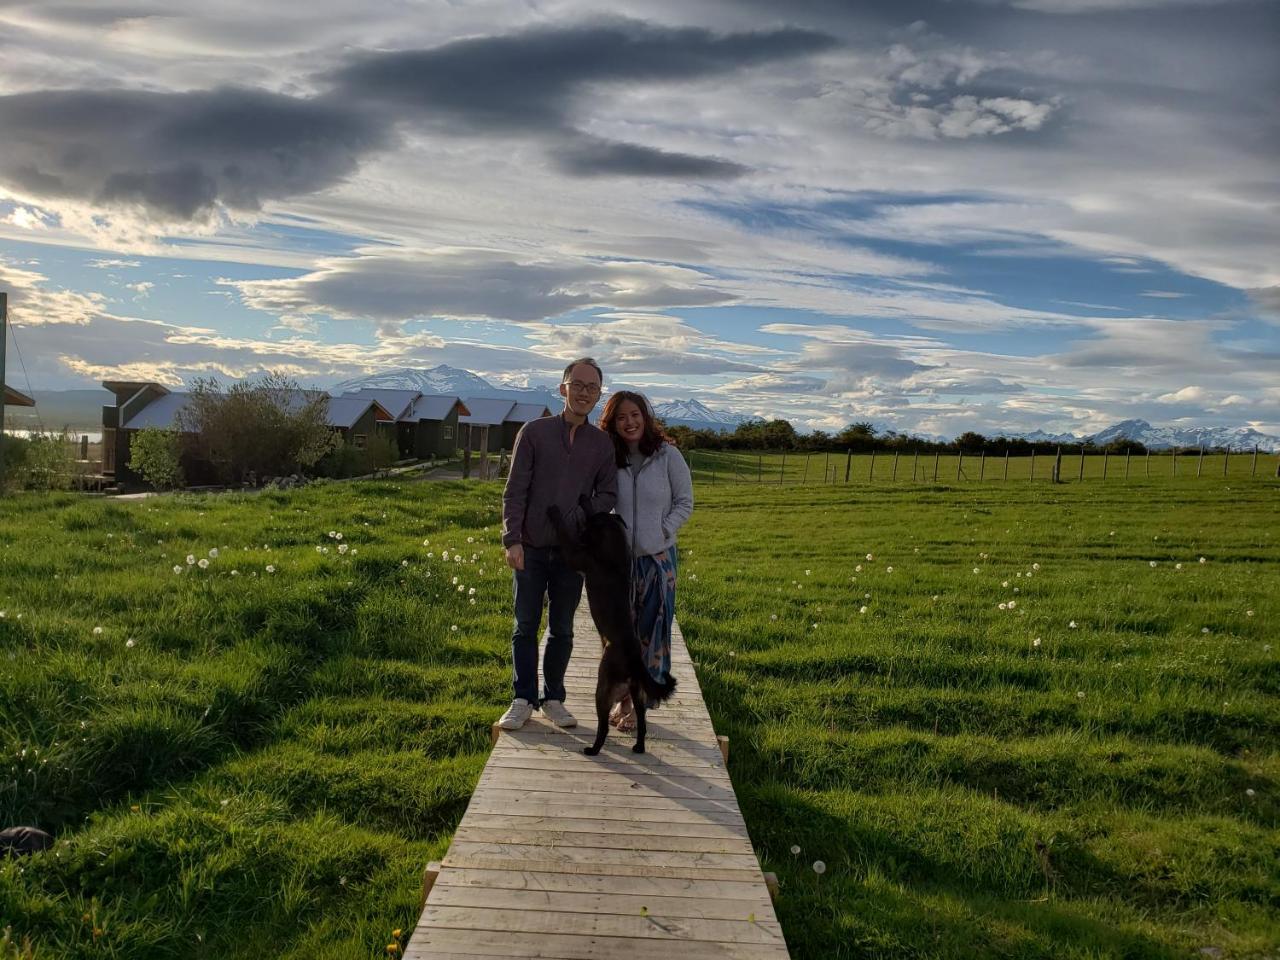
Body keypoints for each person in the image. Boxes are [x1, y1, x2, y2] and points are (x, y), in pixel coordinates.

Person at [497, 358, 618, 730]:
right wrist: (512, 539)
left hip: (571, 552)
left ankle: (554, 699)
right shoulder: (533, 432)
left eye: (592, 388)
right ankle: (522, 698)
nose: (583, 393)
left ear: (599, 395)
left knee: (562, 627)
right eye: (577, 385)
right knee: (525, 624)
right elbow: (515, 490)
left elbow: (608, 493)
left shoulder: (601, 444)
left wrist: (579, 515)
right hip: (530, 547)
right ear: (562, 388)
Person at [598, 390, 694, 732]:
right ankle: (622, 698)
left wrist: (662, 531)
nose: (629, 422)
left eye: (635, 415)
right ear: (613, 422)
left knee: (653, 634)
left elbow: (685, 501)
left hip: (658, 561)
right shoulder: (607, 456)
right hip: (617, 566)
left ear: (645, 416)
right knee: (619, 636)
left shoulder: (668, 455)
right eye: (621, 417)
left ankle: (639, 706)